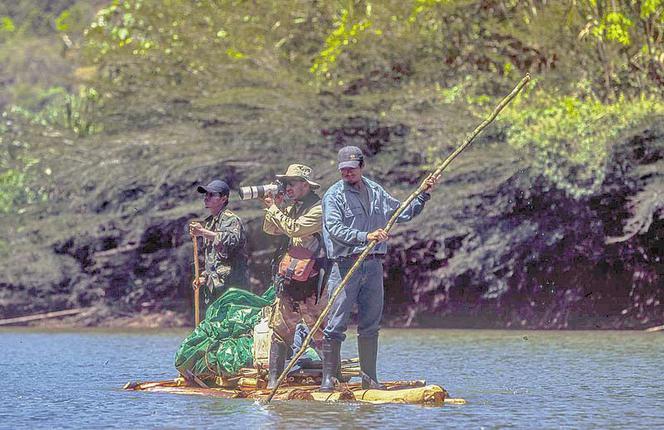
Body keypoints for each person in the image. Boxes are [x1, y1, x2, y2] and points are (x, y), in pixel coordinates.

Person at [319, 146, 438, 391]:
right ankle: (329, 378)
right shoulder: (333, 196)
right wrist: (366, 236)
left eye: (352, 169)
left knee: (371, 324)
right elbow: (334, 229)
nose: (347, 173)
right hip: (345, 265)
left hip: (373, 265)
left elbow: (402, 213)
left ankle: (369, 379)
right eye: (343, 170)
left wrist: (423, 194)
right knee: (336, 323)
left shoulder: (376, 191)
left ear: (362, 167)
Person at [260, 164, 327, 388]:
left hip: (314, 280)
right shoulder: (292, 208)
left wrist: (275, 210)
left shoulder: (319, 209)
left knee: (320, 329)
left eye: (292, 183)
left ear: (305, 185)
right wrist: (274, 208)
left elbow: (295, 229)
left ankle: (330, 378)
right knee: (280, 329)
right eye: (286, 183)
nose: (287, 187)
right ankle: (273, 381)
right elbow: (271, 230)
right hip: (291, 280)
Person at [189, 179, 248, 316]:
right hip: (214, 288)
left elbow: (231, 240)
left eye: (211, 195)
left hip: (231, 288)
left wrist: (202, 232)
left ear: (223, 199)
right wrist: (203, 277)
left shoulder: (231, 220)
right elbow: (212, 257)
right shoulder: (209, 223)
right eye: (206, 194)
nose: (206, 197)